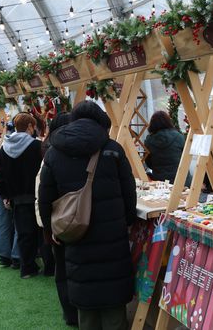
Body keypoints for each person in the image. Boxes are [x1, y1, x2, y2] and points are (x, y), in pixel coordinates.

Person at [39, 101, 137, 330]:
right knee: (114, 307)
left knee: (86, 303)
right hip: (111, 236)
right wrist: (127, 220)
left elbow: (45, 196)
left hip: (75, 234)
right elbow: (128, 191)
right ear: (100, 122)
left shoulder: (55, 152)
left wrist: (49, 228)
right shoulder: (112, 149)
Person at [36, 112, 77, 326]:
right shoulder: (72, 151)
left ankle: (70, 313)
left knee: (63, 270)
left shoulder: (49, 152)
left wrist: (46, 226)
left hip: (58, 222)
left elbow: (43, 195)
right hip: (77, 220)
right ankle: (79, 313)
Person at [0, 113, 42, 278]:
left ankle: (26, 266)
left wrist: (6, 195)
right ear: (29, 126)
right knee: (36, 232)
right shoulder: (37, 147)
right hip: (34, 195)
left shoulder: (5, 147)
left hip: (16, 197)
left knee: (22, 232)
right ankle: (30, 266)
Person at [0, 121, 20, 269]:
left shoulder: (5, 144)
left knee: (3, 222)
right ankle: (16, 257)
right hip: (11, 188)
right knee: (18, 221)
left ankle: (4, 256)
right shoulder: (28, 144)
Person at [145, 110, 190, 185]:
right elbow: (186, 157)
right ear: (168, 121)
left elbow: (148, 163)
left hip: (160, 182)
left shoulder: (149, 140)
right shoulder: (179, 136)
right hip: (181, 179)